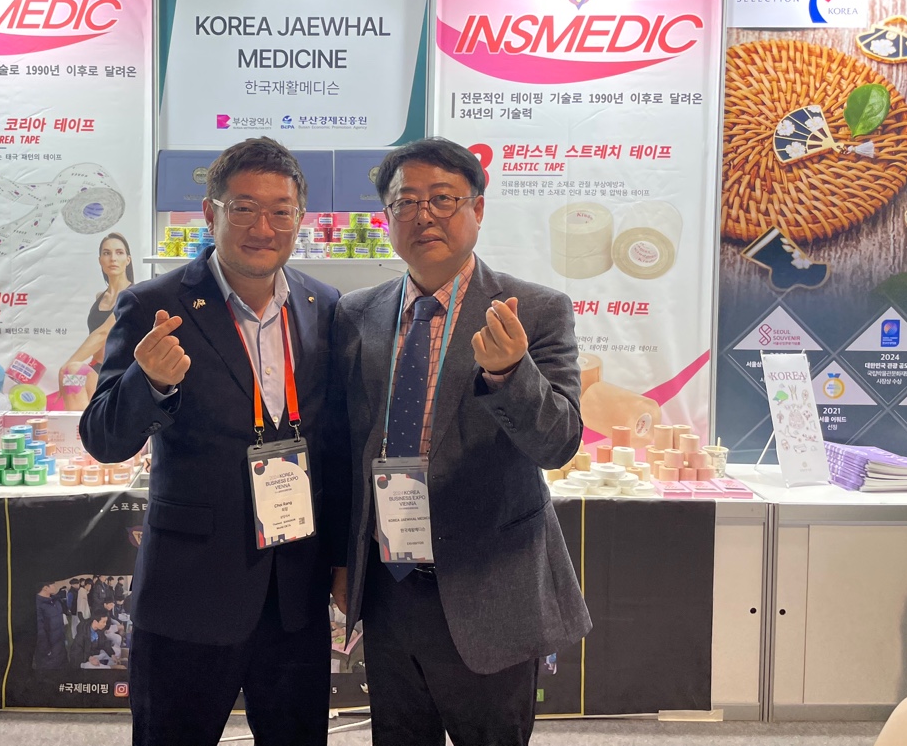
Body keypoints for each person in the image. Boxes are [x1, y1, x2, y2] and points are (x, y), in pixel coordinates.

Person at [81, 137, 344, 746]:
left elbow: (332, 442)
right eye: (243, 208)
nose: (263, 227)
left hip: (294, 591)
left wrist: (340, 559)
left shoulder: (323, 305)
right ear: (210, 212)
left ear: (300, 218)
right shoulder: (154, 304)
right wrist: (149, 383)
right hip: (190, 590)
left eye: (281, 211)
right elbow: (103, 438)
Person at [330, 137, 591, 746]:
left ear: (477, 209)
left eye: (443, 198)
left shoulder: (534, 310)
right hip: (390, 587)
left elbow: (558, 443)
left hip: (489, 586)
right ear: (387, 217)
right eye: (406, 202)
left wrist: (511, 374)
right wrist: (344, 561)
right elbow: (348, 448)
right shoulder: (357, 314)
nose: (424, 215)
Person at [59, 233, 135, 412]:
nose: (113, 258)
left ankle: (83, 429)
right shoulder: (100, 297)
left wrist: (65, 367)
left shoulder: (133, 295)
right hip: (96, 369)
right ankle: (80, 428)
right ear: (100, 260)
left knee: (72, 370)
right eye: (107, 253)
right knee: (73, 374)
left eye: (119, 252)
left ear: (128, 259)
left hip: (119, 374)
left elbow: (103, 333)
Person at [33, 582, 68, 671]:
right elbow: (40, 630)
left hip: (60, 644)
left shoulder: (55, 600)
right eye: (53, 585)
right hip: (49, 649)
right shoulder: (38, 605)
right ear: (45, 588)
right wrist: (46, 649)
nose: (55, 586)